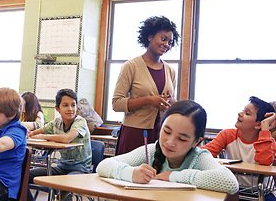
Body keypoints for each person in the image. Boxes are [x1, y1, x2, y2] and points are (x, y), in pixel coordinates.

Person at [96, 100, 239, 195]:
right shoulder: (151, 150)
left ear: (196, 141)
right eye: (167, 132)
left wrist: (173, 176)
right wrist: (131, 173)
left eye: (182, 138)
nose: (170, 142)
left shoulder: (198, 157)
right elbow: (103, 166)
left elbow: (230, 183)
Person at [113, 16, 180, 155]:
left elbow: (171, 101)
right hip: (134, 133)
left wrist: (172, 103)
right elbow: (117, 103)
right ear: (150, 36)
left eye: (170, 42)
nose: (167, 44)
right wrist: (149, 100)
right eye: (163, 39)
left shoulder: (170, 71)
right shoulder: (131, 66)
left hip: (161, 134)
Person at [27, 88, 92, 200]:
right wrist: (29, 133)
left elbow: (67, 138)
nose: (70, 109)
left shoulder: (80, 121)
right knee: (24, 174)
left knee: (64, 184)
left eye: (73, 105)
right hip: (62, 167)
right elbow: (33, 134)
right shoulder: (57, 123)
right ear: (57, 108)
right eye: (65, 105)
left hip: (81, 169)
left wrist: (44, 137)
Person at [201, 96, 276, 188]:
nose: (240, 113)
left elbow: (264, 163)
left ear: (258, 124)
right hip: (234, 189)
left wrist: (265, 127)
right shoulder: (227, 135)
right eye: (243, 110)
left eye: (247, 113)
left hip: (262, 192)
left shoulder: (268, 141)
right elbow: (204, 153)